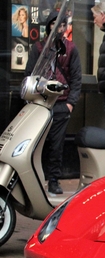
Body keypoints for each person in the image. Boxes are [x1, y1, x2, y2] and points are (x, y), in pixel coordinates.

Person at [25, 11, 81, 195]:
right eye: (54, 23)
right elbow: (29, 75)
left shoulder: (71, 49)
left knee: (57, 145)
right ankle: (33, 181)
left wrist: (70, 104)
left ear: (66, 27)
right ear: (48, 25)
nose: (59, 27)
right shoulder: (38, 47)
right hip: (41, 103)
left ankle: (54, 180)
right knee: (35, 144)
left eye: (62, 24)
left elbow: (76, 78)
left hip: (61, 103)